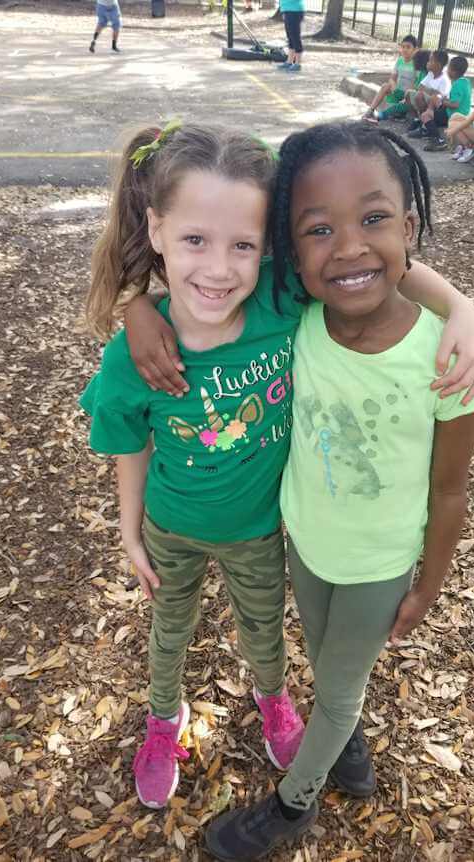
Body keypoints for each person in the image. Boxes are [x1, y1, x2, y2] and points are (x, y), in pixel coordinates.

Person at [203, 120, 474, 861]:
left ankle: (292, 804)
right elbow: (192, 283)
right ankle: (349, 747)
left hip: (379, 563)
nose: (349, 247)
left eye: (372, 220)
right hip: (307, 542)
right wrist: (140, 312)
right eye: (317, 229)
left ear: (408, 225)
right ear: (289, 248)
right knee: (329, 661)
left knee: (334, 687)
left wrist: (429, 582)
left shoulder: (448, 357)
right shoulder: (294, 320)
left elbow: (450, 488)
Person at [79, 122, 307, 810]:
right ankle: (162, 719)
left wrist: (463, 312)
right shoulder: (133, 358)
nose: (218, 268)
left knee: (264, 629)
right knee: (168, 631)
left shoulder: (280, 303)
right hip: (171, 528)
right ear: (155, 230)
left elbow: (373, 263)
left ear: (265, 248)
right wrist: (128, 531)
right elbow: (130, 445)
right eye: (194, 241)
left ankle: (273, 702)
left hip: (258, 530)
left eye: (243, 245)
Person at [417, 55, 473, 151]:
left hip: (452, 115)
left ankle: (438, 140)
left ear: (453, 72)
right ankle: (424, 127)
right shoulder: (466, 82)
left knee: (425, 116)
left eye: (449, 68)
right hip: (462, 114)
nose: (447, 70)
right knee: (434, 100)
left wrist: (442, 101)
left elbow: (455, 104)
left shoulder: (457, 85)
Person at [363, 35, 418, 121]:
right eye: (403, 47)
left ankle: (397, 114)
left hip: (408, 96)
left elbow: (415, 83)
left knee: (392, 112)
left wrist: (405, 97)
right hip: (397, 91)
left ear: (415, 50)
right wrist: (394, 87)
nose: (405, 49)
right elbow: (392, 78)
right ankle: (370, 111)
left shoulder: (416, 63)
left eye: (408, 47)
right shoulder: (400, 60)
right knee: (385, 86)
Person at [405, 50, 450, 132]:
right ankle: (418, 117)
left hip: (436, 106)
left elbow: (439, 96)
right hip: (427, 99)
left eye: (431, 60)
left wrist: (427, 91)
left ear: (438, 65)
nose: (427, 63)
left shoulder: (444, 79)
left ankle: (423, 122)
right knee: (408, 93)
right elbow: (420, 87)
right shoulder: (430, 74)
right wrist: (430, 91)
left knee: (420, 95)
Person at [277, 0, 305, 73]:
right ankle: (289, 61)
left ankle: (298, 63)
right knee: (290, 37)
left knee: (295, 37)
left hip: (294, 11)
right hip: (287, 10)